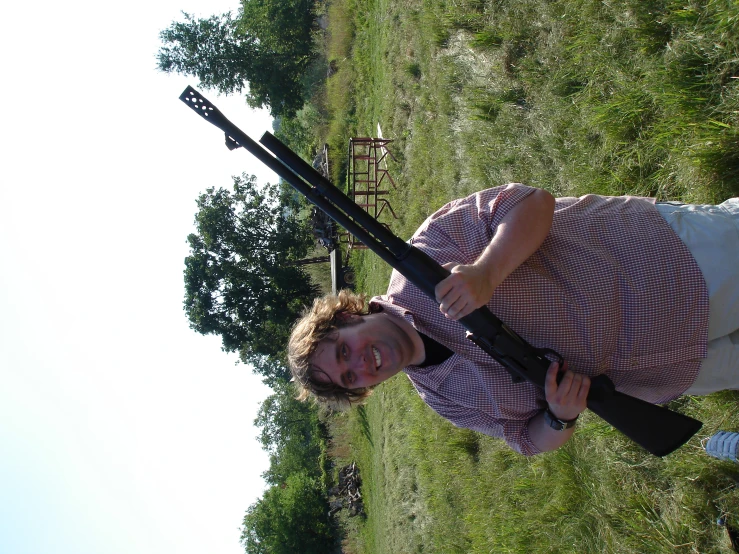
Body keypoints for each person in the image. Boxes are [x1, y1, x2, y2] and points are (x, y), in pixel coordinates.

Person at [288, 184, 739, 455]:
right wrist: (560, 418)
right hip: (668, 365)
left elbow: (531, 202)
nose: (361, 364)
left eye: (344, 350)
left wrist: (487, 272)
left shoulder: (426, 253)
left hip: (663, 264)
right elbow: (527, 440)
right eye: (350, 377)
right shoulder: (443, 399)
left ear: (348, 316)